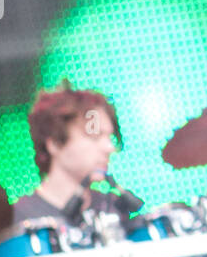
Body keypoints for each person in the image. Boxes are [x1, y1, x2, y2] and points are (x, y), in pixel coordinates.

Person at [13, 80, 129, 228]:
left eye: (109, 137)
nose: (109, 147)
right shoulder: (19, 219)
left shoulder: (113, 208)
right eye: (95, 136)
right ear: (55, 143)